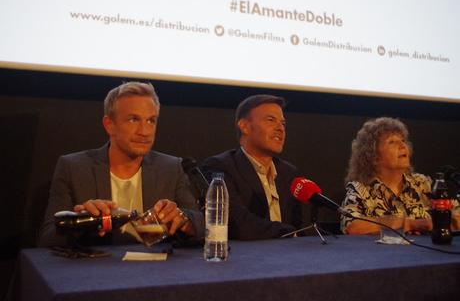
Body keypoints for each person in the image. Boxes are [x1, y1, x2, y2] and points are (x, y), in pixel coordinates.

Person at [39, 81, 204, 247]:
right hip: (96, 269)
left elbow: (201, 226)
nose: (144, 132)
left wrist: (183, 220)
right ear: (109, 125)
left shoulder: (170, 168)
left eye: (151, 121)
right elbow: (47, 239)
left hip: (155, 270)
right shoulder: (73, 168)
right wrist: (82, 221)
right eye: (133, 120)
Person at [201, 94, 304, 240]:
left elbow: (299, 227)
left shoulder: (289, 173)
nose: (280, 128)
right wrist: (287, 233)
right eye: (271, 120)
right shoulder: (221, 167)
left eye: (283, 123)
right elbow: (237, 223)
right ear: (245, 127)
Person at [340, 117, 459, 235]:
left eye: (403, 140)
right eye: (392, 142)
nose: (402, 145)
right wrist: (410, 224)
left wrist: (444, 223)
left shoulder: (422, 183)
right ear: (373, 155)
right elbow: (352, 226)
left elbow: (456, 216)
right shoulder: (360, 190)